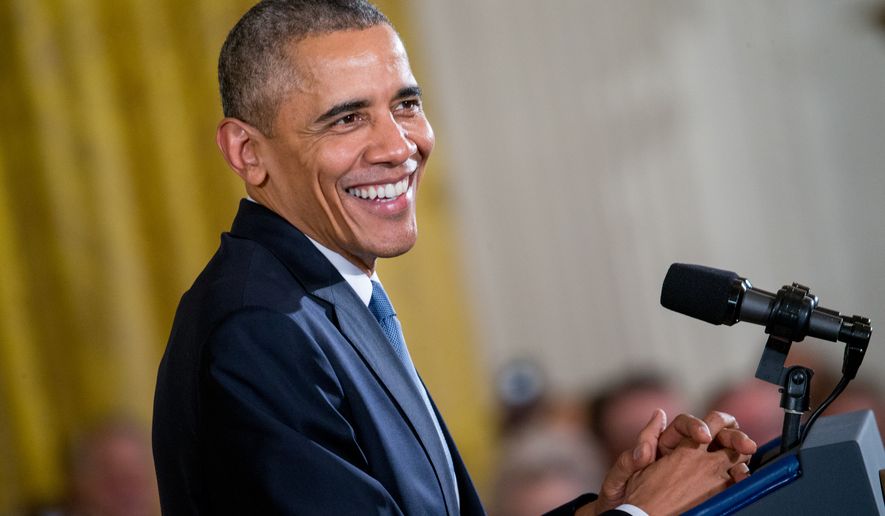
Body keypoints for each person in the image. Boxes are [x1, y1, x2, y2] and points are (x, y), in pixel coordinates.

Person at [151, 1, 757, 514]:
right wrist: (639, 515)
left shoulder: (322, 296)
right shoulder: (260, 328)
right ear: (247, 151)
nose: (399, 146)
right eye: (348, 118)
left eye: (406, 105)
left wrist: (608, 504)